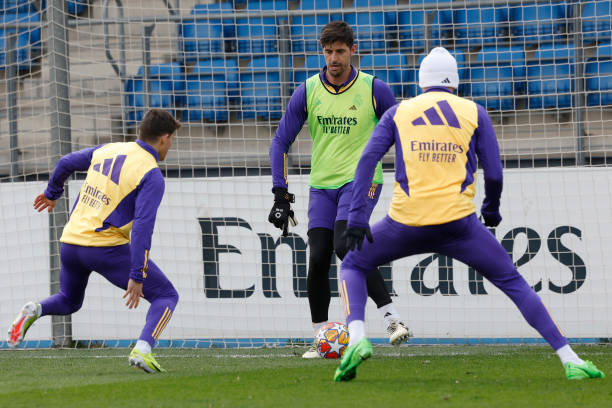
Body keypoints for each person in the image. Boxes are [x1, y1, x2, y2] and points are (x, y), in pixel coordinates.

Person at [333, 47, 606, 381]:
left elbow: (366, 162)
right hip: (459, 226)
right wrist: (490, 211)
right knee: (514, 283)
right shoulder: (474, 112)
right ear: (455, 82)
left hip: (405, 222)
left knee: (353, 263)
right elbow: (494, 173)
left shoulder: (398, 113)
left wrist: (358, 218)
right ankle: (570, 359)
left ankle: (358, 337)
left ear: (421, 82)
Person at [268, 21, 410, 358]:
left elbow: (403, 134)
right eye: (328, 51)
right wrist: (280, 194)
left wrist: (405, 179)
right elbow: (279, 142)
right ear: (323, 52)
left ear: (353, 50)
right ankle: (323, 338)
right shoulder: (308, 90)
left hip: (361, 182)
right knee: (317, 257)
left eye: (340, 51)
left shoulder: (375, 89)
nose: (334, 58)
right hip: (322, 186)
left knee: (346, 244)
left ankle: (392, 320)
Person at [7, 108, 181, 374]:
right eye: (172, 140)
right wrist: (137, 274)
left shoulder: (110, 149)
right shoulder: (151, 173)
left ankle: (35, 309)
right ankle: (142, 349)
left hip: (70, 242)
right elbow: (143, 227)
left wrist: (52, 192)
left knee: (69, 300)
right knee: (166, 295)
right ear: (164, 138)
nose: (170, 145)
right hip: (104, 247)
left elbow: (65, 162)